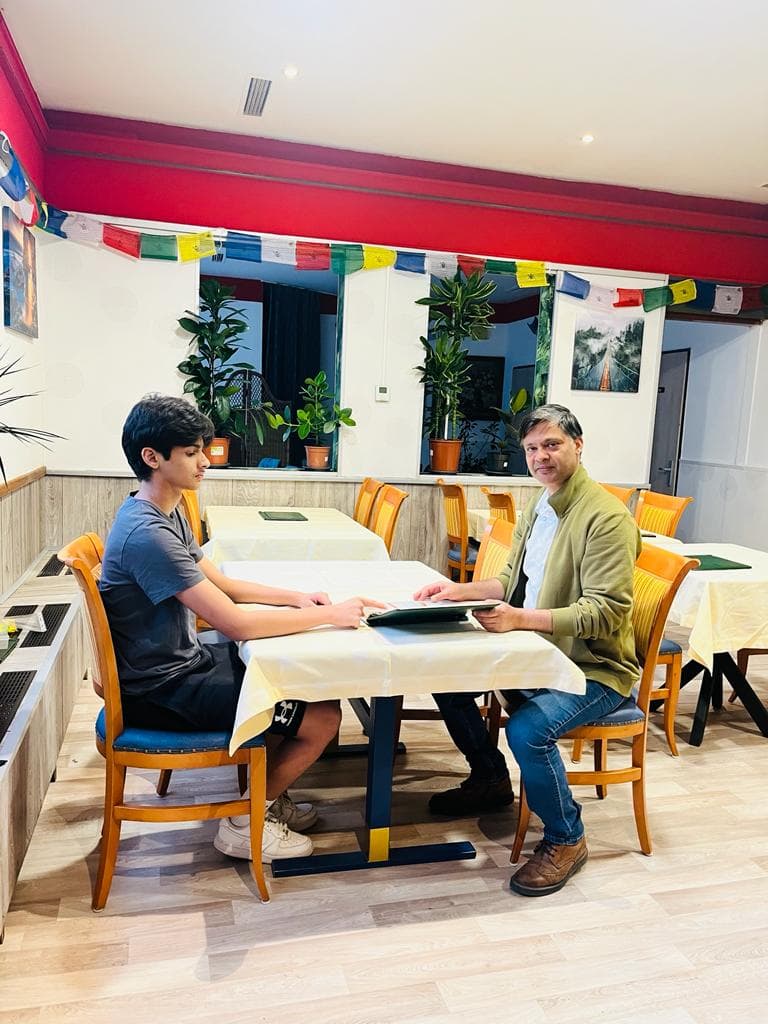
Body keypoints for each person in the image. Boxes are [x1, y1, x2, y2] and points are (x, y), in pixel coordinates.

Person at [99, 394, 385, 864]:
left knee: (304, 686)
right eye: (190, 452)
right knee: (323, 718)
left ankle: (266, 796)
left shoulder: (160, 512)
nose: (204, 461)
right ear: (152, 457)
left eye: (202, 449)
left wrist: (295, 597)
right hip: (162, 688)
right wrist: (331, 615)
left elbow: (225, 586)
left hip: (176, 664)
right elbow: (237, 625)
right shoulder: (148, 533)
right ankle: (244, 822)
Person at [415, 403, 640, 896]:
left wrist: (518, 619)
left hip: (594, 666)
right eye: (532, 448)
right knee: (446, 681)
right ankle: (491, 779)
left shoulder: (606, 518)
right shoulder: (541, 504)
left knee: (529, 730)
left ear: (578, 446)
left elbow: (605, 614)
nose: (541, 456)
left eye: (552, 445)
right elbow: (511, 580)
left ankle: (566, 838)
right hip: (535, 649)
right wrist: (461, 590)